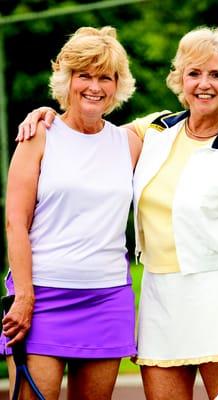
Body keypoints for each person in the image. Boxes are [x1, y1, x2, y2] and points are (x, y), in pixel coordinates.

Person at [14, 26, 218, 400]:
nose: (204, 84)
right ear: (180, 79)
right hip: (158, 301)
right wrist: (45, 111)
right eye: (194, 73)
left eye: (216, 74)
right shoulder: (154, 130)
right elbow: (84, 135)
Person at [0, 26, 142, 400]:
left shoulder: (130, 142)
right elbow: (16, 222)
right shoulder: (39, 135)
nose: (94, 87)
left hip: (108, 298)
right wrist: (25, 296)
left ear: (118, 85)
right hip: (41, 296)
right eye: (85, 75)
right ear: (67, 79)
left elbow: (189, 123)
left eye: (105, 77)